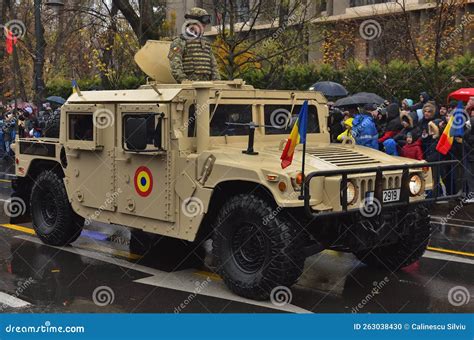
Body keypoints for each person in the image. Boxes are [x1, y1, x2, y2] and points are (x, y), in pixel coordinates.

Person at [168, 7, 220, 83]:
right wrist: (185, 82)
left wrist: (217, 83)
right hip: (189, 88)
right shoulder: (180, 42)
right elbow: (175, 66)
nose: (203, 27)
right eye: (201, 24)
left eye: (204, 25)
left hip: (207, 88)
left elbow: (214, 66)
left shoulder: (206, 43)